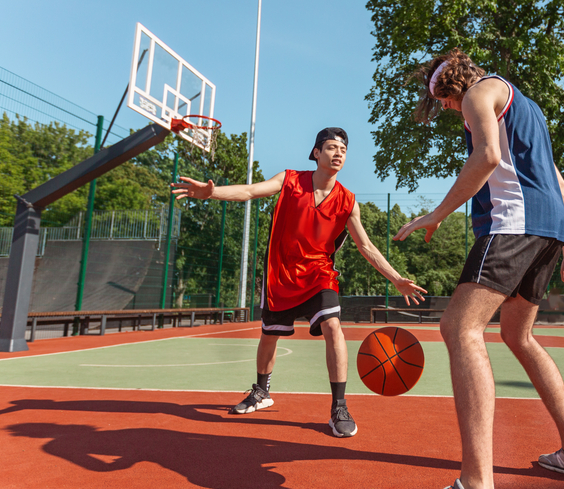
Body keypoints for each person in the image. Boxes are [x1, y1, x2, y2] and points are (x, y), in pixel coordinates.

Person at [393, 50, 564, 489]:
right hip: (547, 230)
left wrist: (436, 214)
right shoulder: (524, 105)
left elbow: (485, 157)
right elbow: (558, 182)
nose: (447, 110)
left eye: (440, 101)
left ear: (447, 88)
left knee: (459, 328)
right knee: (518, 336)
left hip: (513, 227)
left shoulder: (476, 94)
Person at [171, 127, 426, 438]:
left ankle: (339, 406)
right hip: (281, 274)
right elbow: (251, 191)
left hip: (320, 274)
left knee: (333, 326)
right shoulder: (290, 180)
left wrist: (397, 278)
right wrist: (213, 192)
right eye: (331, 147)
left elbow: (367, 247)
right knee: (269, 336)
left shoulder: (347, 201)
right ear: (316, 153)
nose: (338, 153)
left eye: (343, 149)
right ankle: (262, 391)